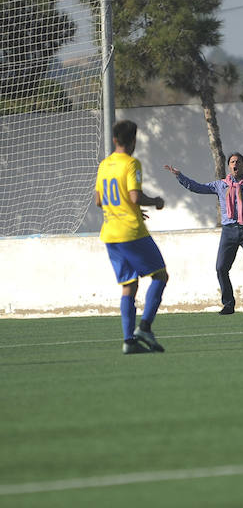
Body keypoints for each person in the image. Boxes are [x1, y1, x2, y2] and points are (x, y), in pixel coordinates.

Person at [164, 147, 243, 314]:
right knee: (221, 268)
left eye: (238, 162)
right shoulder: (220, 185)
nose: (235, 164)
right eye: (232, 162)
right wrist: (179, 176)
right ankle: (229, 304)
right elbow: (197, 187)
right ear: (229, 166)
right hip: (229, 231)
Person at [95, 120, 168, 354]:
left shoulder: (104, 165)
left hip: (110, 235)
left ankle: (129, 341)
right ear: (133, 140)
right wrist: (155, 201)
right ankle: (145, 326)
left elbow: (99, 200)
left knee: (129, 285)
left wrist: (128, 208)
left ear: (115, 139)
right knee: (160, 276)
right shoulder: (131, 163)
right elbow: (135, 197)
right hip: (131, 232)